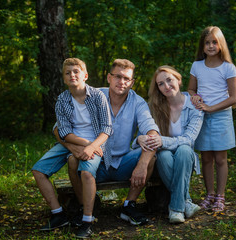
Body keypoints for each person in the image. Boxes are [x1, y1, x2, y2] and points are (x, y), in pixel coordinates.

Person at [64, 59, 160, 238]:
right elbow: (59, 126)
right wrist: (72, 146)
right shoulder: (92, 95)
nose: (121, 82)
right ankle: (84, 207)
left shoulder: (138, 102)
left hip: (123, 163)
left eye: (126, 79)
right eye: (117, 76)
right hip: (96, 160)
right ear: (109, 77)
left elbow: (151, 130)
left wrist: (142, 164)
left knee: (150, 155)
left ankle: (128, 206)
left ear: (132, 82)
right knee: (72, 160)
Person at [31, 58, 112, 234]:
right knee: (38, 170)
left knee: (86, 172)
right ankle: (58, 214)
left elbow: (106, 129)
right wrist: (84, 144)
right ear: (64, 78)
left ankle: (87, 221)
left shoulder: (98, 96)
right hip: (74, 141)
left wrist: (92, 146)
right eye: (68, 73)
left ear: (85, 75)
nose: (72, 75)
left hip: (97, 142)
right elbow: (64, 132)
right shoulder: (62, 100)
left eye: (76, 71)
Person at [135, 65, 203, 223]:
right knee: (164, 155)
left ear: (178, 80)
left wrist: (163, 140)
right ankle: (185, 203)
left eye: (169, 80)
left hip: (185, 158)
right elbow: (141, 134)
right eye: (160, 84)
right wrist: (139, 139)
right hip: (163, 158)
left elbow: (189, 139)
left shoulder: (195, 105)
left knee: (185, 150)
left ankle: (175, 209)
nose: (166, 86)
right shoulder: (154, 107)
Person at [188, 26, 236, 212]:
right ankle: (209, 194)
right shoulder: (197, 66)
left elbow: (234, 98)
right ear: (202, 47)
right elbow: (191, 89)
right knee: (206, 158)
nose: (210, 46)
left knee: (220, 159)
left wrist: (211, 107)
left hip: (221, 117)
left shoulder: (228, 68)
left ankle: (220, 195)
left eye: (214, 42)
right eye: (207, 42)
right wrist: (194, 97)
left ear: (221, 45)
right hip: (201, 117)